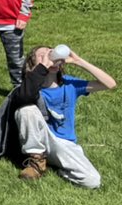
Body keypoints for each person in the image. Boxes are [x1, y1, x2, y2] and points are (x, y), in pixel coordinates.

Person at [10, 45, 115, 187]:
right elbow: (23, 97)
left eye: (50, 53)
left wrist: (78, 61)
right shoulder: (31, 86)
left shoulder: (69, 84)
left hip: (65, 144)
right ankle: (36, 162)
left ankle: (57, 167)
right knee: (26, 110)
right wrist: (42, 67)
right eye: (41, 56)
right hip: (41, 139)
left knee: (92, 181)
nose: (49, 58)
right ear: (33, 65)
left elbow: (109, 84)